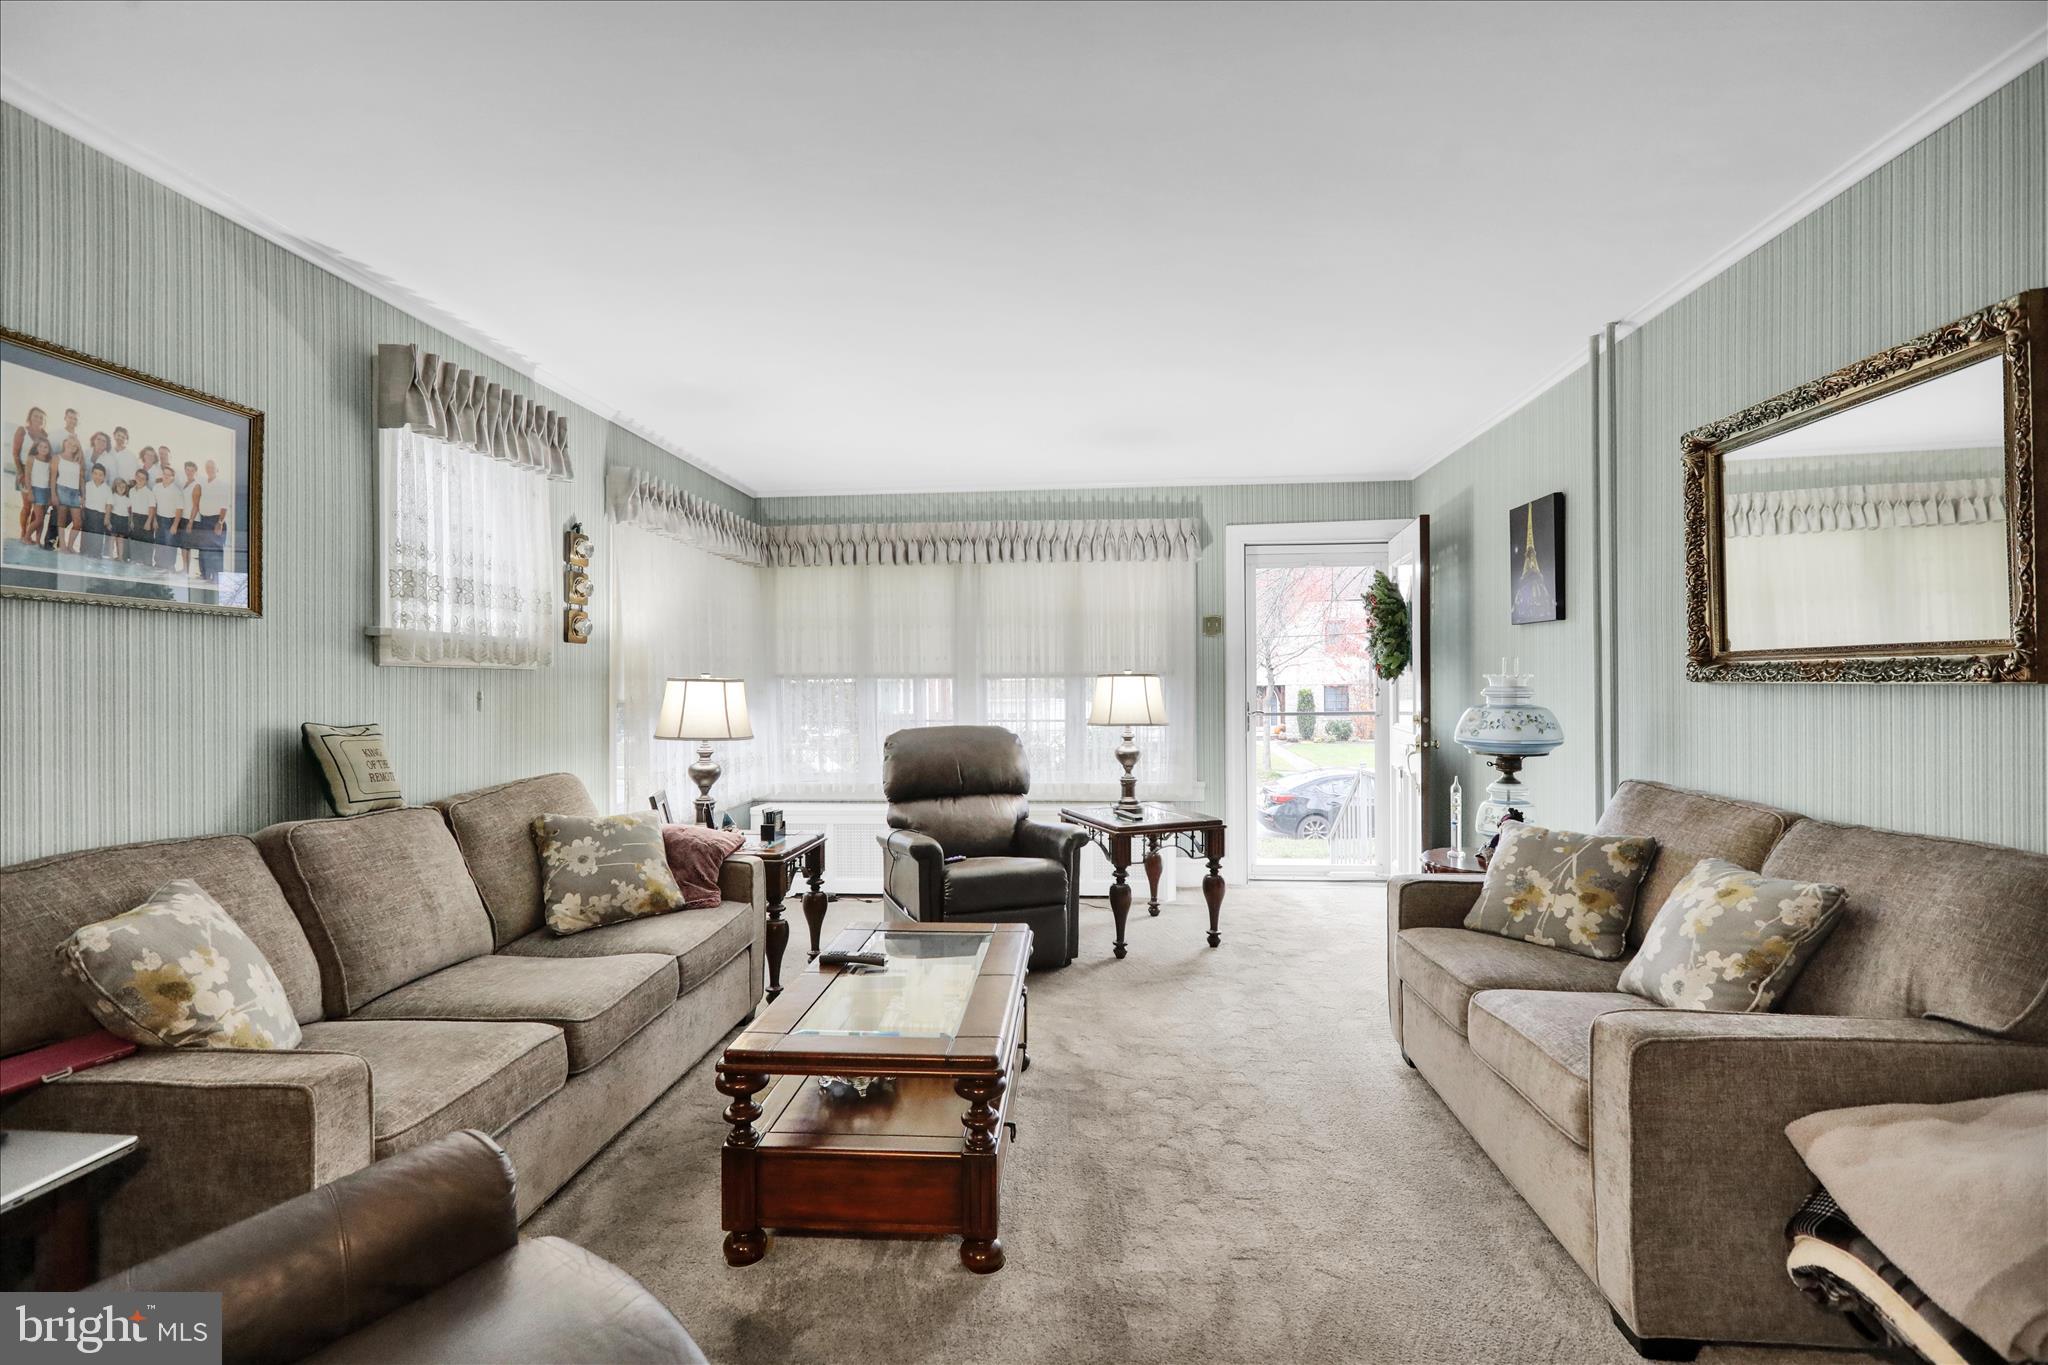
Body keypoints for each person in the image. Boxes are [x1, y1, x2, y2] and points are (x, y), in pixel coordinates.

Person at [11, 405, 49, 543]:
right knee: (27, 506)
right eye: (35, 416)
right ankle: (22, 533)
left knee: (36, 508)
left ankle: (29, 535)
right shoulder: (22, 430)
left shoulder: (45, 435)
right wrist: (21, 473)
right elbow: (15, 453)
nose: (38, 419)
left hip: (39, 473)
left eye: (41, 417)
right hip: (24, 470)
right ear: (30, 417)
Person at [194, 458, 230, 581]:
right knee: (203, 549)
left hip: (216, 521)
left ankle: (216, 577)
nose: (209, 469)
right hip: (204, 520)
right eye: (207, 467)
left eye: (212, 467)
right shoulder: (203, 483)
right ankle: (204, 575)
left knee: (216, 550)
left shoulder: (222, 484)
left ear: (217, 469)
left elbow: (224, 506)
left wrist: (220, 522)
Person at [54, 435, 86, 553]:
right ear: (65, 443)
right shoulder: (57, 458)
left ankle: (70, 546)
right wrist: (53, 494)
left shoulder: (78, 461)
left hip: (74, 493)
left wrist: (83, 496)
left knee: (78, 523)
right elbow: (53, 478)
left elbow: (81, 480)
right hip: (61, 489)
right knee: (61, 520)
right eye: (69, 443)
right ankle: (62, 546)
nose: (71, 446)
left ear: (77, 447)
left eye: (74, 445)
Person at [151, 462, 184, 572]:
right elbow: (154, 505)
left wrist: (175, 525)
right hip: (159, 519)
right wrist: (154, 520)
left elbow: (179, 509)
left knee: (170, 543)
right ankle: (158, 564)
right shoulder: (156, 487)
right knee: (159, 542)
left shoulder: (176, 491)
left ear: (172, 477)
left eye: (168, 475)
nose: (166, 476)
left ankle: (170, 566)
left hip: (171, 520)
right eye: (164, 474)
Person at [23, 435, 54, 547]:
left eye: (46, 447)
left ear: (49, 449)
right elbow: (27, 476)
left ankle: (37, 540)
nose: (43, 449)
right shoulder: (32, 458)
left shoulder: (50, 461)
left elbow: (51, 479)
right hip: (36, 490)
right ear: (36, 447)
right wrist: (30, 492)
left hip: (46, 491)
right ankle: (26, 537)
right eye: (41, 446)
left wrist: (51, 495)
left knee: (42, 518)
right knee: (39, 519)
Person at [82, 463, 114, 559]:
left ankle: (96, 555)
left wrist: (107, 518)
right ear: (92, 474)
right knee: (86, 534)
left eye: (100, 475)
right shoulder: (87, 485)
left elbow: (109, 504)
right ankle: (84, 552)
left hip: (100, 515)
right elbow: (83, 500)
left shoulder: (107, 489)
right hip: (88, 513)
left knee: (97, 536)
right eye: (95, 474)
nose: (97, 477)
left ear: (104, 477)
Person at [177, 460, 200, 574]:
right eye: (187, 470)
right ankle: (184, 569)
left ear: (195, 471)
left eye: (192, 470)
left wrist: (190, 522)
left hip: (190, 519)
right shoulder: (184, 483)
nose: (189, 472)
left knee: (187, 545)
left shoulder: (196, 485)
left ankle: (186, 570)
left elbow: (196, 505)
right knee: (183, 545)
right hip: (182, 517)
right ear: (185, 470)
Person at [109, 476, 132, 562]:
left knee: (121, 539)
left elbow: (130, 512)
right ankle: (110, 556)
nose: (121, 489)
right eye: (119, 487)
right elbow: (110, 509)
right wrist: (109, 521)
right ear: (115, 487)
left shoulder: (128, 499)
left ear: (126, 488)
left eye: (123, 487)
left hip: (124, 519)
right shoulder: (113, 496)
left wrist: (130, 522)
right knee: (112, 538)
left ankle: (120, 557)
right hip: (114, 517)